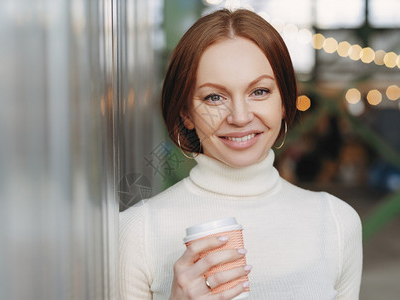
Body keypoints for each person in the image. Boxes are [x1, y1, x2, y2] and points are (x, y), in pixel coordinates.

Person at [119, 8, 362, 300]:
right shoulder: (138, 232)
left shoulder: (336, 222)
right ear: (186, 114)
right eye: (214, 97)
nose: (240, 116)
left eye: (259, 91)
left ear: (284, 102)